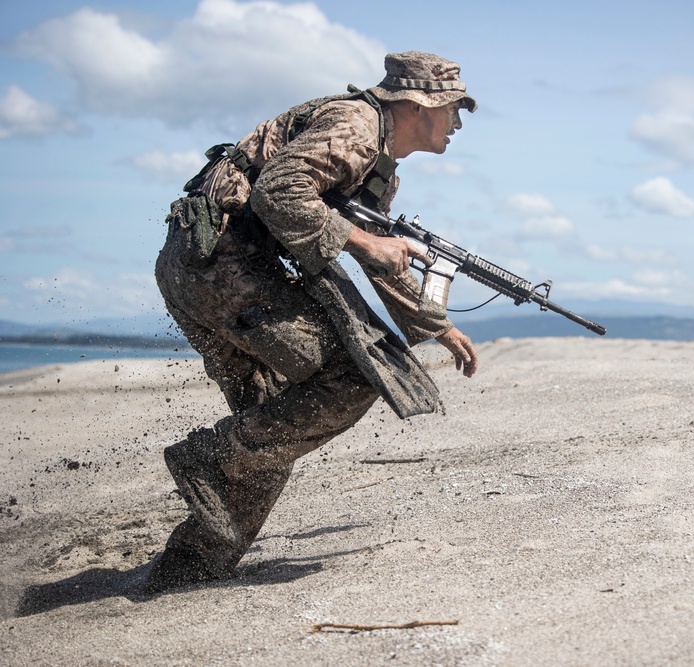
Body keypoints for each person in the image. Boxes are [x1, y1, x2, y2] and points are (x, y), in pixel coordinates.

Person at [146, 51, 480, 592]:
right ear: (419, 105)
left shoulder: (376, 159)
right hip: (225, 269)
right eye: (453, 108)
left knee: (271, 432)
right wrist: (366, 240)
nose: (458, 122)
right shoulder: (356, 126)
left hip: (202, 268)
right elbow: (279, 192)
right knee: (353, 375)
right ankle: (201, 458)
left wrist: (436, 326)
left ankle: (188, 566)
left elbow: (374, 256)